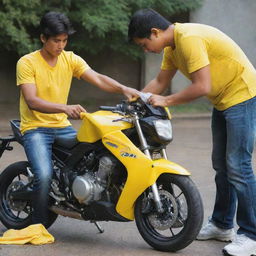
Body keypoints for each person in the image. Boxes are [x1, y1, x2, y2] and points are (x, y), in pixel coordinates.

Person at [128, 8, 256, 256]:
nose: (145, 50)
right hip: (223, 100)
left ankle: (251, 235)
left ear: (155, 32)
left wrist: (167, 101)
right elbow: (160, 83)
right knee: (222, 165)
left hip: (242, 96)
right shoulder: (172, 48)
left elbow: (202, 86)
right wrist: (133, 103)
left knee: (238, 167)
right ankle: (222, 224)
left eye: (144, 44)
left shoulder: (188, 39)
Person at [16, 11, 139, 228]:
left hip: (62, 127)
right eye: (56, 40)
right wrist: (64, 107)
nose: (61, 45)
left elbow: (98, 78)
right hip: (36, 128)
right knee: (43, 176)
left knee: (93, 155)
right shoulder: (27, 63)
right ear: (43, 38)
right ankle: (36, 226)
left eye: (64, 40)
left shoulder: (70, 59)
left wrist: (123, 88)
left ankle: (82, 199)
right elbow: (32, 100)